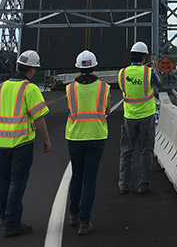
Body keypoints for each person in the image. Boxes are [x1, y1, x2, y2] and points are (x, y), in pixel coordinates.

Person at [0, 50, 51, 238]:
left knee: (4, 180)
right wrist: (46, 139)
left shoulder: (1, 87)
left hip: (2, 143)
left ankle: (2, 215)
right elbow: (38, 117)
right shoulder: (29, 89)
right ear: (32, 70)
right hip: (21, 143)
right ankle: (12, 223)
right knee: (17, 182)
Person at [65, 50, 111, 236]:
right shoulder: (103, 88)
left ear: (77, 67)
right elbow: (107, 110)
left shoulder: (70, 88)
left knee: (77, 176)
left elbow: (71, 109)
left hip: (75, 136)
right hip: (97, 136)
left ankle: (73, 215)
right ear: (94, 67)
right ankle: (84, 222)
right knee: (90, 179)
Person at [117, 41, 162, 195]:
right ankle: (143, 185)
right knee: (146, 151)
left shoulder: (122, 73)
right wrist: (154, 69)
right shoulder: (149, 72)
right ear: (144, 57)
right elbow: (159, 84)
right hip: (147, 117)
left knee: (126, 151)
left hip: (129, 116)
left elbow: (124, 89)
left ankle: (123, 185)